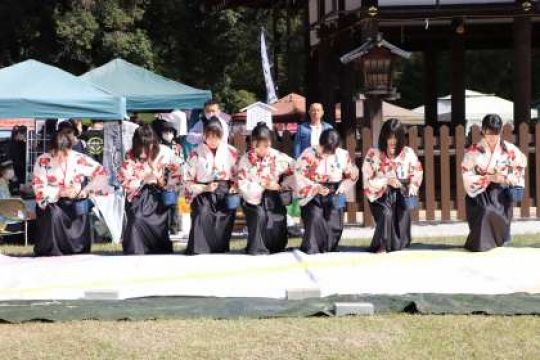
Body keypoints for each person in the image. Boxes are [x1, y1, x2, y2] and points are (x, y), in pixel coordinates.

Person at [31, 128, 110, 256]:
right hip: (52, 204)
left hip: (74, 202)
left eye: (65, 154)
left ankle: (77, 248)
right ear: (52, 150)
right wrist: (59, 192)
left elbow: (101, 172)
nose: (61, 158)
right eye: (57, 154)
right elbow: (39, 188)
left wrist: (86, 190)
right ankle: (53, 249)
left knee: (80, 209)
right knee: (54, 214)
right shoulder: (43, 160)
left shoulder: (77, 158)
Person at [462, 114, 527, 252]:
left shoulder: (509, 149)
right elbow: (467, 174)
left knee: (499, 215)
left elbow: (520, 165)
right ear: (483, 131)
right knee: (486, 211)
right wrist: (489, 178)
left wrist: (507, 178)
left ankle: (499, 241)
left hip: (500, 192)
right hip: (480, 193)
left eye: (496, 133)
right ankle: (480, 245)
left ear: (500, 132)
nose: (492, 137)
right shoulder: (473, 151)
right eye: (489, 132)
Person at [118, 125, 183, 255]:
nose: (143, 149)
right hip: (138, 194)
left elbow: (178, 171)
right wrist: (143, 179)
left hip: (158, 193)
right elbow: (124, 178)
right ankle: (137, 248)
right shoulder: (130, 154)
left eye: (147, 145)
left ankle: (158, 246)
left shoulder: (164, 152)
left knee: (160, 217)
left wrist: (165, 182)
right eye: (140, 145)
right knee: (137, 217)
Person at [362, 119, 423, 253]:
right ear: (384, 136)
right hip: (380, 194)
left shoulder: (408, 153)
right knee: (386, 214)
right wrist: (386, 181)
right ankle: (381, 245)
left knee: (400, 236)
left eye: (396, 137)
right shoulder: (373, 153)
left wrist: (411, 187)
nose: (392, 140)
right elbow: (367, 178)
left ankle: (397, 243)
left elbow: (417, 171)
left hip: (401, 192)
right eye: (389, 136)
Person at [294, 129, 359, 254]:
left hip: (335, 190)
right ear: (321, 143)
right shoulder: (308, 154)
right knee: (315, 218)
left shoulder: (342, 154)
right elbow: (299, 176)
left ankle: (328, 249)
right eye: (326, 149)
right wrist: (315, 187)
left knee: (334, 224)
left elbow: (352, 173)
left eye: (332, 150)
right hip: (313, 192)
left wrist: (348, 178)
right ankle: (313, 249)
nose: (328, 153)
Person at [237, 122, 295, 255]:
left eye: (267, 144)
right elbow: (243, 184)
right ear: (253, 143)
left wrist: (281, 185)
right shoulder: (245, 160)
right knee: (259, 214)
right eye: (260, 145)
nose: (264, 148)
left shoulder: (278, 156)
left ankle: (276, 245)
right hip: (253, 199)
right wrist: (262, 185)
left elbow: (296, 168)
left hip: (273, 196)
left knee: (276, 216)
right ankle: (257, 247)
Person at [184, 117, 238, 255]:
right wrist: (204, 188)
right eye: (210, 137)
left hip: (224, 190)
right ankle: (199, 248)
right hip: (203, 192)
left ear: (221, 136)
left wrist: (234, 187)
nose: (213, 141)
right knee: (202, 212)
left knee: (226, 213)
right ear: (204, 136)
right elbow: (187, 179)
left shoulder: (231, 152)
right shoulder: (195, 153)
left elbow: (238, 174)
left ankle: (220, 247)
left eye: (217, 137)